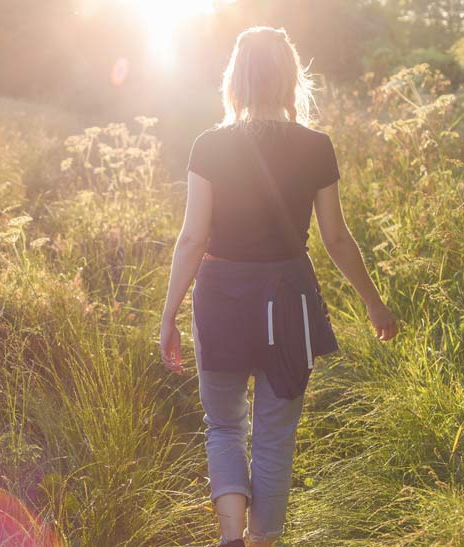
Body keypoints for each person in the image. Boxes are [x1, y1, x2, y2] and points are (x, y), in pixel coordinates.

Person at [159, 26, 399, 547]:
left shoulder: (210, 145)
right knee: (274, 436)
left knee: (223, 426)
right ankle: (263, 541)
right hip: (289, 299)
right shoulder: (316, 146)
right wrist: (374, 303)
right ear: (290, 77)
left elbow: (192, 237)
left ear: (236, 80)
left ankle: (231, 538)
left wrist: (169, 314)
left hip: (220, 295)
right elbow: (336, 237)